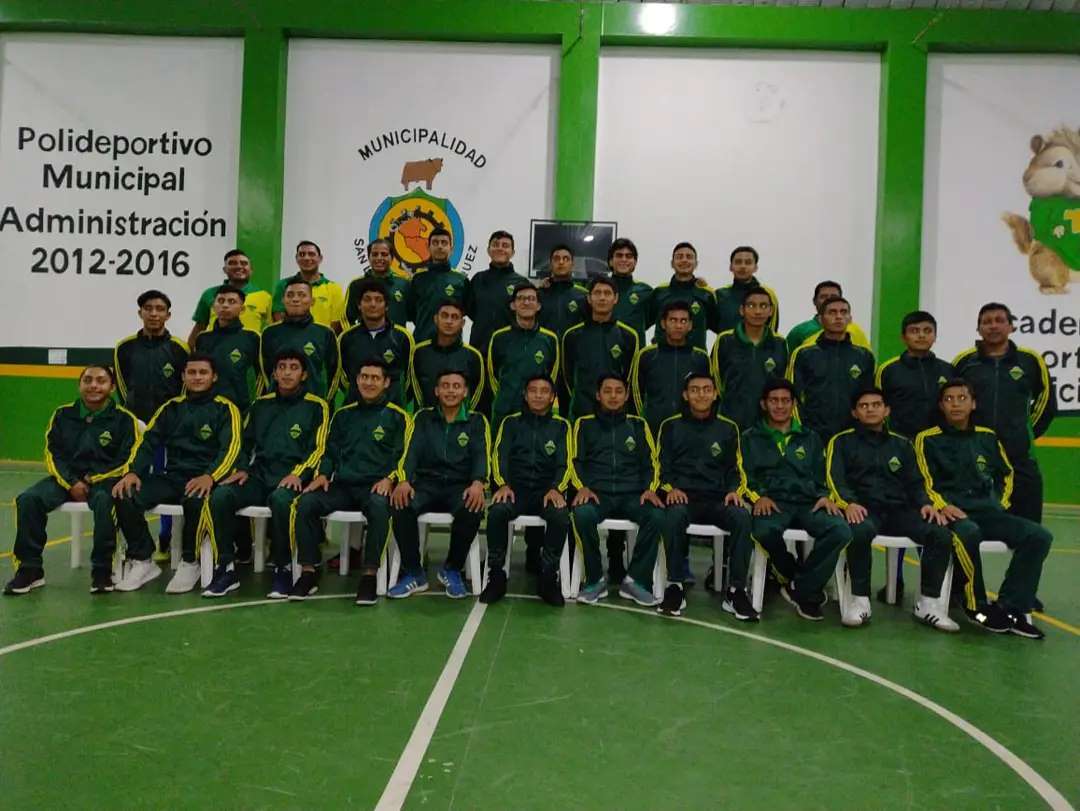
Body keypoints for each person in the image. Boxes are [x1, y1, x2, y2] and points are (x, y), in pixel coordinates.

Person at [914, 379, 1053, 639]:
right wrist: (942, 505)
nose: (956, 404)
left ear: (973, 404)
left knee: (1039, 536)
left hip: (989, 512)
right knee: (968, 532)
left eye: (962, 398)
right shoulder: (927, 439)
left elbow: (1007, 474)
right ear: (941, 406)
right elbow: (923, 480)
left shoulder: (987, 436)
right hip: (953, 515)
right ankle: (975, 606)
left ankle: (1011, 607)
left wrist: (999, 503)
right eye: (949, 399)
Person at [825, 388, 958, 631]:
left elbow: (916, 482)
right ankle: (860, 600)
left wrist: (926, 504)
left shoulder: (902, 444)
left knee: (939, 532)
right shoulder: (841, 442)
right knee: (859, 530)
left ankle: (928, 603)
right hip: (863, 509)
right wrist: (848, 503)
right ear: (854, 413)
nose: (871, 409)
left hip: (899, 510)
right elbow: (835, 479)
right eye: (864, 405)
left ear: (886, 410)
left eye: (876, 404)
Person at [202, 350, 328, 598]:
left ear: (304, 375)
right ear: (274, 373)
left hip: (293, 477)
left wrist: (299, 474)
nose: (287, 372)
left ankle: (283, 568)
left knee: (281, 500)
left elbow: (319, 448)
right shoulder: (260, 404)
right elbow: (243, 443)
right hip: (259, 475)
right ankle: (226, 567)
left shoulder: (317, 406)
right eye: (282, 367)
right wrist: (242, 468)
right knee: (221, 496)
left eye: (294, 367)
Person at [111, 355, 241, 594]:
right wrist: (132, 472)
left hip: (205, 479)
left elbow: (231, 449)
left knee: (195, 500)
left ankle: (190, 562)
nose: (197, 377)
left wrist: (211, 477)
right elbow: (147, 442)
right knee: (125, 494)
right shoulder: (170, 408)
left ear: (214, 377)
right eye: (192, 372)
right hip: (173, 477)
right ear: (183, 376)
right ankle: (143, 559)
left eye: (203, 372)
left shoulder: (226, 409)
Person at [3, 366, 139, 596]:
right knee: (28, 500)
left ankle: (102, 571)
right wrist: (71, 482)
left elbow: (127, 458)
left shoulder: (124, 419)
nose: (93, 385)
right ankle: (30, 570)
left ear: (112, 387)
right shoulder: (62, 415)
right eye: (88, 380)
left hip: (104, 480)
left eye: (101, 381)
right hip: (66, 480)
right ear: (79, 385)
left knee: (106, 502)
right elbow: (52, 453)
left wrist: (94, 478)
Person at [291, 359, 410, 605]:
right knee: (306, 503)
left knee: (379, 507)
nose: (369, 382)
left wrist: (390, 479)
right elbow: (330, 452)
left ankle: (369, 575)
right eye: (364, 377)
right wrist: (323, 474)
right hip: (343, 486)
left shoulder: (399, 417)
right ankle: (309, 572)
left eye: (375, 378)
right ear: (357, 380)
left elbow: (405, 455)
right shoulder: (343, 415)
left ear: (386, 382)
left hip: (375, 486)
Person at [741, 379, 851, 621]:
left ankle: (801, 589)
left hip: (808, 502)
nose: (780, 406)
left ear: (793, 404)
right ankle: (795, 577)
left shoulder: (810, 438)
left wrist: (825, 496)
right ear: (764, 404)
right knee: (763, 531)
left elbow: (825, 474)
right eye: (774, 401)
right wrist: (758, 497)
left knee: (840, 530)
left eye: (785, 401)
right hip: (772, 502)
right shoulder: (749, 438)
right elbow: (743, 475)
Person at [657, 372, 756, 621]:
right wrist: (670, 488)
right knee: (673, 516)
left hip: (718, 499)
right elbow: (661, 466)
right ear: (685, 395)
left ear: (715, 394)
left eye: (706, 389)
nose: (701, 394)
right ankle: (675, 585)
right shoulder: (670, 426)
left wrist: (734, 491)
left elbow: (736, 469)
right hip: (683, 498)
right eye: (695, 389)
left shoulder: (728, 428)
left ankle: (736, 590)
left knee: (742, 517)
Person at [388, 370, 490, 599]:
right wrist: (403, 480)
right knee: (400, 504)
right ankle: (414, 572)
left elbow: (481, 455)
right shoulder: (422, 418)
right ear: (436, 391)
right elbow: (410, 452)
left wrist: (477, 482)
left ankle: (452, 569)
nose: (450, 391)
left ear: (465, 391)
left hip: (459, 486)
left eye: (456, 386)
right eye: (445, 385)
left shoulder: (476, 421)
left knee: (472, 508)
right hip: (426, 484)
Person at [953, 302, 1056, 525]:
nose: (993, 326)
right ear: (978, 328)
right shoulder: (964, 362)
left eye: (999, 320)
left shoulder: (1030, 360)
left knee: (1030, 531)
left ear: (1011, 326)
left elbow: (1047, 402)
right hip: (974, 456)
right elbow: (949, 401)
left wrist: (1023, 432)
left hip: (1019, 459)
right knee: (971, 529)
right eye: (987, 322)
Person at [569, 374, 664, 607]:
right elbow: (575, 460)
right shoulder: (584, 424)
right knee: (582, 514)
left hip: (632, 495)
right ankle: (594, 580)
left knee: (657, 515)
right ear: (598, 395)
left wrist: (650, 489)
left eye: (619, 391)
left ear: (627, 395)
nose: (613, 396)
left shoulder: (639, 425)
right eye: (607, 391)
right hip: (597, 494)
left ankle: (636, 581)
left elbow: (651, 463)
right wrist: (582, 487)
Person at [480, 374, 573, 606]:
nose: (538, 395)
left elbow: (566, 462)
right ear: (525, 394)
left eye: (544, 391)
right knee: (497, 512)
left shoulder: (562, 426)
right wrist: (502, 484)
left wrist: (557, 488)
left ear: (553, 397)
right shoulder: (510, 423)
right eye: (533, 390)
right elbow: (499, 456)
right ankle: (497, 575)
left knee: (560, 516)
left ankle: (548, 577)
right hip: (515, 490)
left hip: (546, 492)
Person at [114, 289, 189, 559]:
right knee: (132, 482)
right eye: (148, 308)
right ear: (140, 313)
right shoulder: (124, 348)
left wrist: (172, 421)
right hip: (136, 430)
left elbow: (184, 391)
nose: (154, 313)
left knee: (165, 481)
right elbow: (122, 387)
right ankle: (133, 542)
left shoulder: (180, 349)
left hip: (169, 432)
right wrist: (135, 420)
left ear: (168, 315)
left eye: (160, 309)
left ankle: (166, 538)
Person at [787, 296, 875, 441]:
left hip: (854, 437)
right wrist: (802, 431)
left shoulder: (864, 356)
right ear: (821, 319)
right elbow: (792, 396)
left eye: (843, 312)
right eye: (832, 312)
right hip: (812, 435)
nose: (838, 317)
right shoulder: (803, 354)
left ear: (850, 319)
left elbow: (870, 398)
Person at [561, 276, 639, 421]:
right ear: (589, 298)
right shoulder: (572, 335)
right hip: (582, 414)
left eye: (607, 293)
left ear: (615, 298)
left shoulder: (629, 336)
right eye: (597, 293)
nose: (602, 298)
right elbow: (567, 377)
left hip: (616, 416)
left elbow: (630, 378)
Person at [711, 288, 789, 431]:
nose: (757, 311)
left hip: (767, 426)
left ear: (771, 311)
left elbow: (784, 383)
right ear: (742, 310)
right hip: (731, 422)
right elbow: (715, 382)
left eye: (763, 306)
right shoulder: (725, 341)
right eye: (751, 305)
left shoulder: (780, 344)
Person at [631, 300, 711, 436]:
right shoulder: (646, 356)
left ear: (690, 325)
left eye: (683, 321)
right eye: (673, 320)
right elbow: (636, 394)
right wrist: (642, 423)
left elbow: (708, 396)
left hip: (690, 431)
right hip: (653, 430)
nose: (678, 326)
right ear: (663, 323)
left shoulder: (701, 358)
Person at [487, 282, 560, 430]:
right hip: (505, 413)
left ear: (538, 306)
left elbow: (552, 376)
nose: (526, 302)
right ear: (513, 305)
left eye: (531, 299)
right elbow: (491, 376)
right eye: (521, 298)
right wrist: (506, 396)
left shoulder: (550, 339)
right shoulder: (499, 337)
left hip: (538, 415)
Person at [876, 311, 956, 440]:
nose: (921, 335)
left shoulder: (948, 369)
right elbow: (877, 408)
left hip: (941, 442)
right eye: (914, 331)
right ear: (903, 337)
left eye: (927, 331)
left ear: (935, 336)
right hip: (901, 441)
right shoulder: (888, 370)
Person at [259, 277, 340, 401]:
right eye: (290, 295)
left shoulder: (325, 333)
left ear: (312, 301)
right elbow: (265, 373)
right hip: (277, 405)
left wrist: (325, 404)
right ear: (283, 300)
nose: (295, 299)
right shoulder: (269, 333)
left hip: (313, 406)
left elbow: (334, 375)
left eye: (302, 295)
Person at [337, 278, 414, 406]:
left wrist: (393, 398)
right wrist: (362, 394)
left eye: (378, 300)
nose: (373, 304)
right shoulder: (346, 338)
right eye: (367, 299)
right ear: (359, 305)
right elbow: (341, 377)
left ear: (387, 306)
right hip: (356, 408)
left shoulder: (402, 338)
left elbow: (410, 379)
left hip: (391, 409)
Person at [193, 285, 263, 413]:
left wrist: (256, 405)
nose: (225, 305)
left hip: (240, 409)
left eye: (232, 301)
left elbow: (261, 376)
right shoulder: (202, 339)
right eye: (220, 301)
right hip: (205, 408)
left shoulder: (252, 338)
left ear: (242, 309)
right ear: (213, 307)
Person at [464, 230, 528, 364]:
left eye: (505, 245)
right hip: (479, 349)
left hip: (510, 351)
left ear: (512, 252)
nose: (500, 248)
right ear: (488, 250)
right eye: (495, 244)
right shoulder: (478, 279)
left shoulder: (522, 283)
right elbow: (470, 310)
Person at [537, 243, 588, 412]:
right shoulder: (539, 294)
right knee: (540, 407)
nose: (561, 262)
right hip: (544, 358)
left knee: (572, 408)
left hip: (573, 361)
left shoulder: (583, 295)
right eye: (557, 259)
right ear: (550, 263)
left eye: (566, 259)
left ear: (572, 264)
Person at [410, 299, 484, 410]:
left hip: (460, 420)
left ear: (462, 323)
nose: (449, 321)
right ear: (436, 319)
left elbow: (477, 394)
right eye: (444, 316)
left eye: (454, 317)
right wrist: (425, 415)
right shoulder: (419, 352)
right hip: (426, 418)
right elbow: (415, 389)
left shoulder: (473, 356)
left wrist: (462, 416)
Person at [188, 248, 272, 345]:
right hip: (215, 349)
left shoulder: (264, 296)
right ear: (225, 269)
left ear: (251, 270)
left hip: (249, 350)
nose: (239, 266)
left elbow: (273, 329)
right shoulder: (210, 294)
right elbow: (199, 327)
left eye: (244, 263)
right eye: (233, 263)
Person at [650, 242, 718, 351]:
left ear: (696, 263)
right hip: (660, 357)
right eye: (679, 257)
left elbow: (717, 326)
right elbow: (643, 321)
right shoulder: (659, 293)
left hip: (696, 359)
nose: (684, 260)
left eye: (689, 257)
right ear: (672, 263)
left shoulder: (706, 294)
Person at [407, 227, 469, 345]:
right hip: (422, 344)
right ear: (428, 247)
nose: (440, 246)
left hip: (453, 347)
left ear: (451, 248)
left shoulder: (461, 280)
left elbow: (466, 311)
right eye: (435, 243)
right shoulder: (418, 279)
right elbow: (411, 313)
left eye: (444, 243)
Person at [272, 240, 345, 331]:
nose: (306, 258)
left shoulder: (334, 288)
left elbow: (336, 323)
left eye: (311, 254)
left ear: (320, 258)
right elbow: (278, 319)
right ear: (296, 258)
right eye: (302, 254)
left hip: (322, 339)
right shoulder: (283, 285)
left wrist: (318, 337)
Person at [785, 280, 870, 352]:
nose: (829, 299)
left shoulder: (856, 331)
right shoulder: (799, 332)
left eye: (834, 296)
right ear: (814, 301)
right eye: (823, 297)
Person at [343, 238, 410, 328]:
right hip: (366, 337)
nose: (379, 258)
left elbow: (416, 316)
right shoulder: (356, 285)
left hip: (396, 336)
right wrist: (355, 335)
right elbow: (347, 318)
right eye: (374, 254)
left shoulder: (404, 284)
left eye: (384, 254)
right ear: (369, 257)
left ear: (392, 258)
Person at [713, 245, 780, 335]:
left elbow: (772, 329)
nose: (743, 266)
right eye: (738, 262)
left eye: (748, 263)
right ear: (731, 267)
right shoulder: (719, 295)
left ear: (755, 267)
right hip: (726, 343)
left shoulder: (767, 294)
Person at [608, 238, 654, 344]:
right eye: (619, 255)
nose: (624, 259)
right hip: (604, 350)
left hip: (635, 351)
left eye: (628, 256)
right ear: (610, 261)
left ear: (635, 262)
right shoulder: (599, 290)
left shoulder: (646, 291)